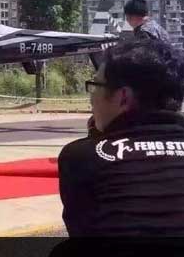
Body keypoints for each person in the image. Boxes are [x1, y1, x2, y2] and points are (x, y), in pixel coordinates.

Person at [58, 39, 184, 236]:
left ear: (123, 97)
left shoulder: (80, 156)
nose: (91, 98)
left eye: (95, 85)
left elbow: (82, 234)